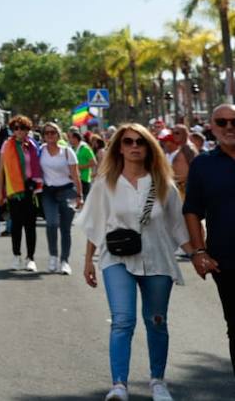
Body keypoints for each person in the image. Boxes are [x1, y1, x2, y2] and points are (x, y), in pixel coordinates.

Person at [79, 123, 193, 401]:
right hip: (116, 259)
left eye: (140, 142)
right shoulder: (104, 184)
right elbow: (95, 224)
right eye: (128, 142)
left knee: (156, 321)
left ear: (148, 147)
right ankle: (119, 385)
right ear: (119, 147)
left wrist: (199, 256)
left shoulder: (163, 184)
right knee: (122, 321)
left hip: (157, 259)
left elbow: (178, 227)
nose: (134, 147)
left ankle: (158, 382)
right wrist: (88, 261)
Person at [182, 101, 235, 378]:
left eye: (233, 122)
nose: (229, 127)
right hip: (226, 261)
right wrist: (198, 252)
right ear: (212, 128)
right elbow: (191, 210)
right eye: (222, 122)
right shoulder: (203, 165)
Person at [0, 115, 43, 272]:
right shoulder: (6, 145)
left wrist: (36, 182)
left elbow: (38, 166)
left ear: (28, 130)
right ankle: (16, 256)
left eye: (22, 128)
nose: (18, 131)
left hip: (30, 190)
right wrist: (0, 192)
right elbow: (1, 170)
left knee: (30, 226)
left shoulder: (33, 145)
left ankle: (30, 258)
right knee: (16, 225)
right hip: (14, 191)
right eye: (15, 128)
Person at [38, 121, 84, 274]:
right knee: (51, 223)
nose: (50, 135)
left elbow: (76, 175)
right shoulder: (41, 150)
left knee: (65, 228)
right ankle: (53, 256)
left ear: (58, 135)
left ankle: (65, 260)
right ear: (43, 136)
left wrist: (79, 195)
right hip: (48, 192)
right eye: (47, 133)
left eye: (53, 133)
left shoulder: (67, 152)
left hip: (67, 191)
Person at [72, 129, 98, 199]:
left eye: (71, 138)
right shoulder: (74, 149)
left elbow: (94, 163)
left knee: (86, 201)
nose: (70, 140)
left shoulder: (85, 148)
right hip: (77, 178)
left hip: (85, 178)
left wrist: (81, 167)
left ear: (75, 138)